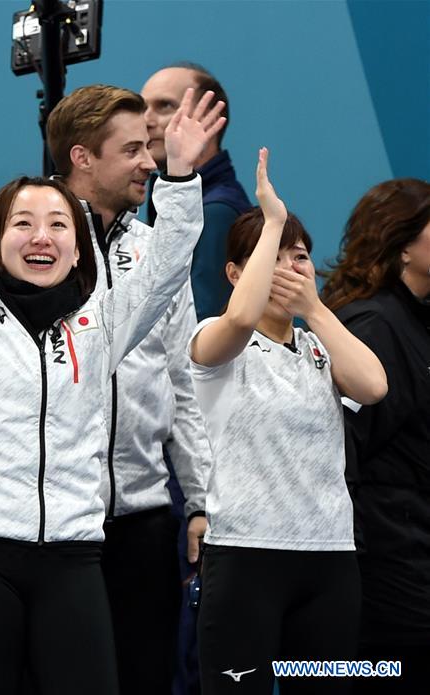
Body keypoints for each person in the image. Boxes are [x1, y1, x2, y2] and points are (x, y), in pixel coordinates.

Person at [0, 50, 222, 695]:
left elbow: (165, 274)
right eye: (22, 224)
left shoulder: (102, 326)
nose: (40, 237)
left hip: (77, 551)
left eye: (54, 226)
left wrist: (180, 179)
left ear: (77, 245)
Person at [189, 149, 387, 695]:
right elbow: (242, 316)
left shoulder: (320, 346)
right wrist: (272, 219)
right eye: (270, 257)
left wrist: (317, 311)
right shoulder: (219, 340)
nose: (288, 268)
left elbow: (373, 386)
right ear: (234, 272)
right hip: (246, 559)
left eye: (298, 256)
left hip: (329, 562)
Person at [45, 84, 215, 695]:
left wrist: (199, 500)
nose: (149, 161)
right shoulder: (25, 246)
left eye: (150, 148)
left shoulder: (154, 252)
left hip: (145, 520)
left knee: (143, 680)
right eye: (133, 150)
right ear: (82, 157)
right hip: (53, 521)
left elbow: (184, 383)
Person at [321, 178, 430, 695]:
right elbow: (338, 455)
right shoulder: (374, 326)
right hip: (387, 581)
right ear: (402, 244)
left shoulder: (413, 320)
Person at [142, 62, 251, 321]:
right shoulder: (189, 203)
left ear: (210, 116)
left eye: (164, 106)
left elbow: (202, 326)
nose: (146, 120)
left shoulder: (215, 213)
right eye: (142, 107)